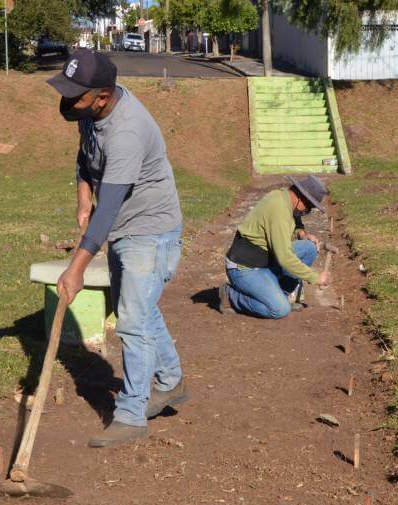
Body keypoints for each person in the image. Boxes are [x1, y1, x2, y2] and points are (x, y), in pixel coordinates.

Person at [48, 48, 188, 448]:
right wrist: (81, 197)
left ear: (103, 96)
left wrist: (75, 268)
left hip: (150, 229)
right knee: (139, 309)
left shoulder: (127, 131)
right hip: (125, 225)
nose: (67, 100)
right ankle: (171, 381)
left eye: (76, 95)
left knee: (131, 319)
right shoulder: (90, 112)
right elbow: (84, 159)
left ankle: (130, 415)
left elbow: (108, 211)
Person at [220, 176, 330, 318]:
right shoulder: (278, 209)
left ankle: (278, 294)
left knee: (309, 248)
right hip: (245, 268)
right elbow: (285, 257)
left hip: (265, 259)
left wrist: (301, 233)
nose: (306, 212)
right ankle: (231, 296)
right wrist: (315, 277)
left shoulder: (284, 198)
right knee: (279, 310)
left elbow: (295, 217)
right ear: (300, 198)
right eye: (308, 208)